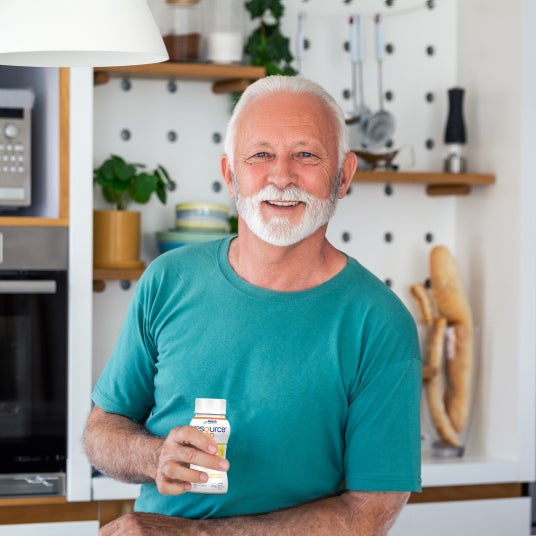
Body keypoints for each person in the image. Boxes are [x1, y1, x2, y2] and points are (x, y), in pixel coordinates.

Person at [83, 75, 422, 535]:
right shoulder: (168, 279)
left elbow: (368, 514)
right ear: (229, 174)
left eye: (306, 155)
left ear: (343, 176)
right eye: (261, 155)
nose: (281, 177)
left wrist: (195, 535)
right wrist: (155, 455)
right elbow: (102, 430)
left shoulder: (378, 322)